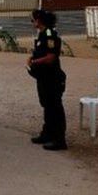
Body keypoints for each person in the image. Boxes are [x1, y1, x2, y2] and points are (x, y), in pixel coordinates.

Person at [27, 9, 67, 151]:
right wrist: (32, 59)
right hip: (44, 78)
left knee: (54, 107)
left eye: (32, 20)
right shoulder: (42, 35)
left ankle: (59, 139)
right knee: (47, 106)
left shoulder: (49, 34)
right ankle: (47, 133)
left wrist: (35, 62)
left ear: (39, 20)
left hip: (52, 78)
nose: (32, 23)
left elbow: (51, 57)